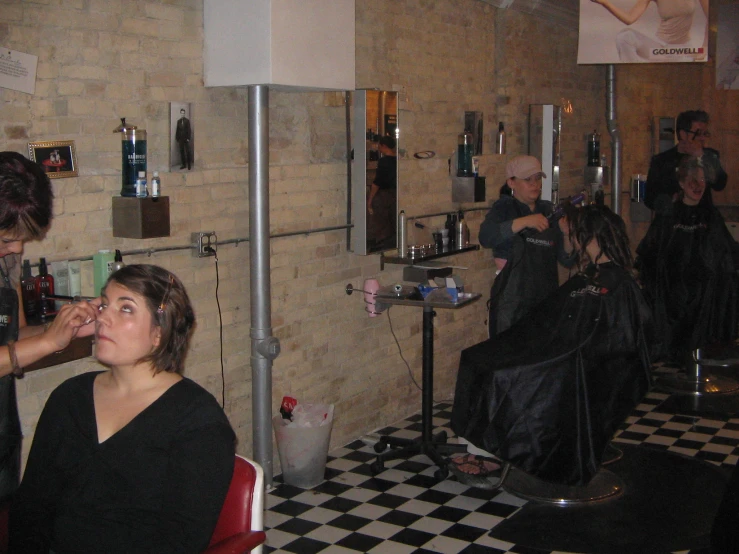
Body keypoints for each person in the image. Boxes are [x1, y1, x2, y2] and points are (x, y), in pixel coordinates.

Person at [9, 264, 236, 553]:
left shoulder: (197, 421)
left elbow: (181, 541)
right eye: (104, 305)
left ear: (159, 332)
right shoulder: (69, 398)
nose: (103, 318)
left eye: (125, 308)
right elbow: (31, 508)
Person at [451, 205, 653, 487]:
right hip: (564, 355)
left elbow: (619, 337)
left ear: (588, 236)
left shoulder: (618, 283)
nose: (569, 239)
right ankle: (481, 446)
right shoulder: (590, 275)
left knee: (503, 375)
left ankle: (488, 453)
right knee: (480, 359)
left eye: (573, 234)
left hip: (577, 364)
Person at [0, 152, 99, 506]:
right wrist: (46, 343)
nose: (16, 250)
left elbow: (15, 338)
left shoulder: (7, 259)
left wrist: (68, 329)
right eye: (7, 239)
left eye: (22, 239)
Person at [636, 156, 739, 364]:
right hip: (672, 298)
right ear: (682, 183)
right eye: (692, 180)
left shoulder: (711, 217)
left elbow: (726, 254)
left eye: (701, 180)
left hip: (705, 299)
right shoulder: (667, 217)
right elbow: (650, 254)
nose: (698, 185)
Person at [479, 155, 576, 337]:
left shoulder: (548, 211)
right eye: (528, 180)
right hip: (511, 303)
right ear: (511, 183)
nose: (535, 184)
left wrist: (566, 234)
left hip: (545, 300)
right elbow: (486, 236)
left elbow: (567, 260)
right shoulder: (504, 208)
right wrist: (524, 222)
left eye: (538, 178)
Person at [645, 109, 727, 212]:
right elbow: (649, 198)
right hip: (672, 220)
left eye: (705, 133)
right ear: (683, 134)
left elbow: (720, 184)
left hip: (702, 220)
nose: (702, 138)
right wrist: (670, 201)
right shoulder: (661, 161)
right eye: (698, 133)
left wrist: (701, 157)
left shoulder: (710, 156)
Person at [590, 0, 708, 63]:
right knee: (625, 36)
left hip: (681, 51)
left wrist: (705, 47)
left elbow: (712, 17)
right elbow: (629, 18)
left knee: (684, 60)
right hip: (658, 50)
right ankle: (635, 74)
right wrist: (605, 2)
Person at [366, 136, 397, 250]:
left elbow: (377, 182)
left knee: (379, 218)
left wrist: (370, 200)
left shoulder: (384, 161)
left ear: (384, 146)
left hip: (385, 195)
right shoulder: (398, 159)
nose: (378, 148)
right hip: (395, 193)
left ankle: (378, 241)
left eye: (379, 145)